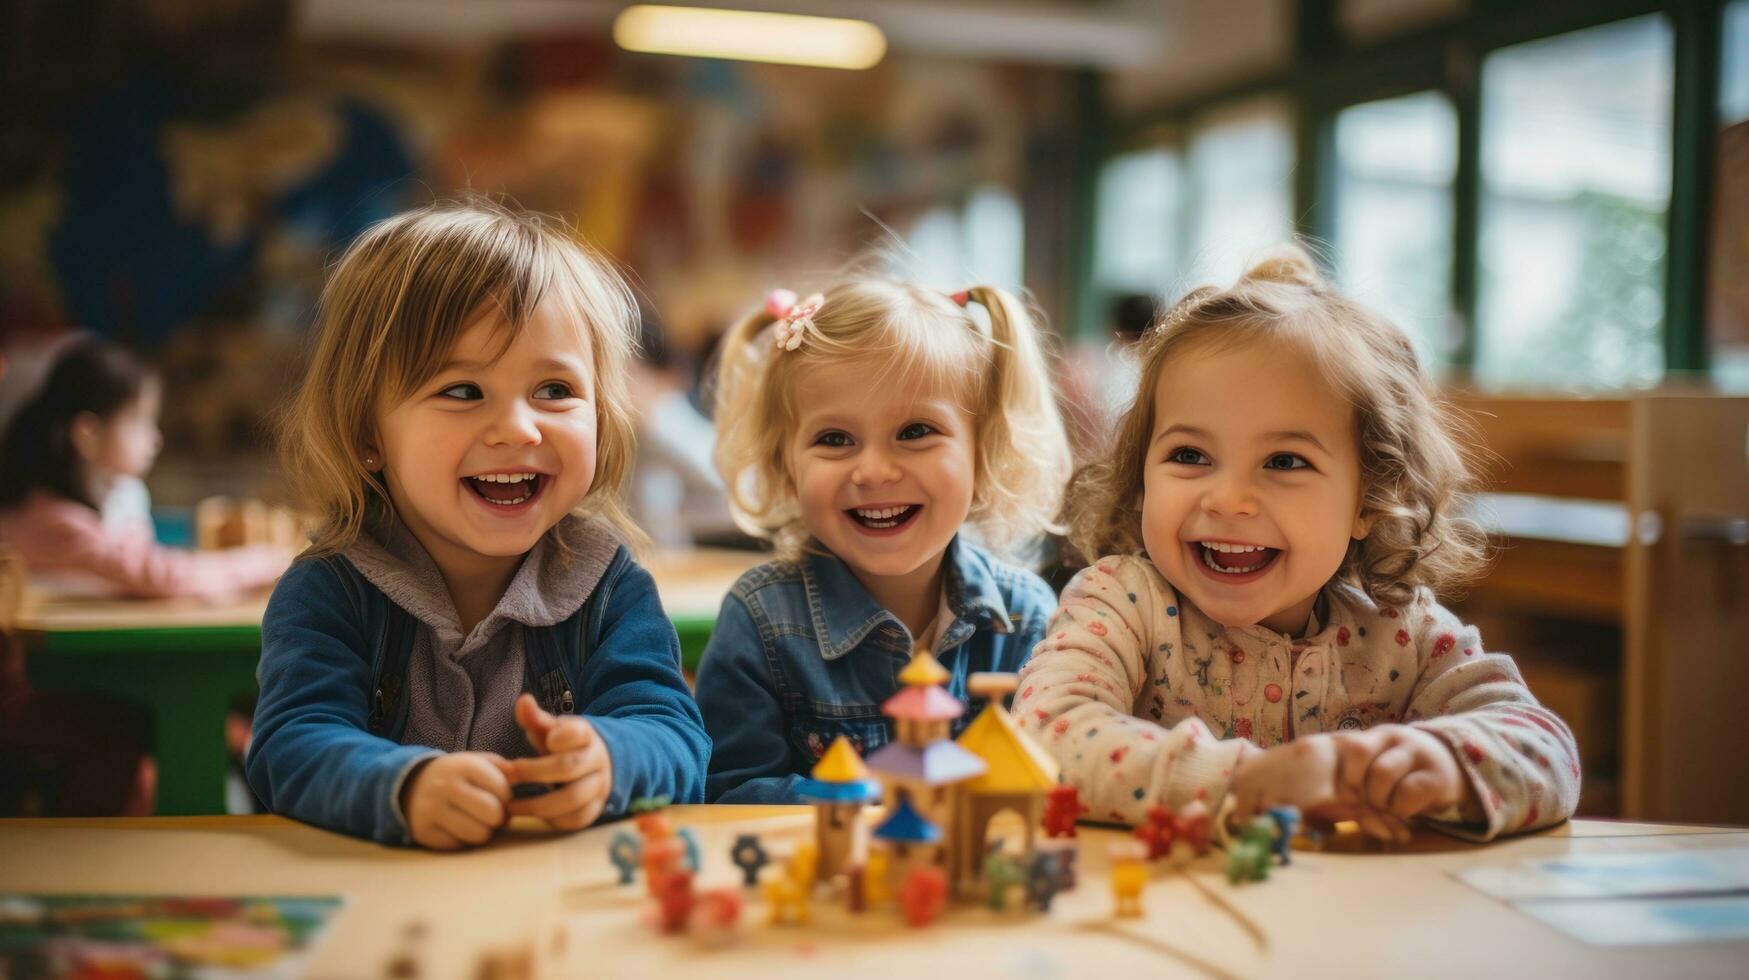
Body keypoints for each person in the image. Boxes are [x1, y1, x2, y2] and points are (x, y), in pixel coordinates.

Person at [1015, 247, 1579, 842]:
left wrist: (1448, 765)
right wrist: (1252, 784)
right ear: (1141, 477)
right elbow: (1043, 734)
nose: (1228, 499)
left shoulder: (1404, 632)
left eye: (1284, 461)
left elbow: (1549, 751)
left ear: (1368, 499)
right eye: (1190, 456)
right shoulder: (1122, 603)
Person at [248, 202, 709, 848]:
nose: (519, 428)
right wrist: (402, 786)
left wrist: (609, 760)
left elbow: (674, 735)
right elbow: (288, 749)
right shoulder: (332, 588)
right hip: (382, 909)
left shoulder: (607, 583)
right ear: (366, 434)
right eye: (463, 392)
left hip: (553, 910)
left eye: (554, 391)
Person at [697, 279, 1072, 802]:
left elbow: (1051, 786)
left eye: (916, 431)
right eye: (834, 439)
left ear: (984, 452)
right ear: (786, 467)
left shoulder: (1027, 618)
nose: (873, 470)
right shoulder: (761, 621)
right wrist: (884, 804)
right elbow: (727, 795)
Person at [0, 338, 291, 598]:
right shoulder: (57, 523)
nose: (155, 439)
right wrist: (269, 562)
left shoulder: (111, 501)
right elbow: (160, 575)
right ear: (89, 434)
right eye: (140, 421)